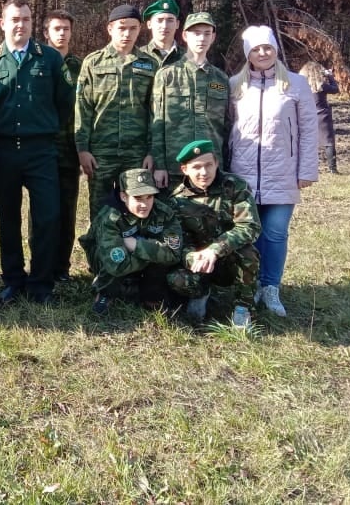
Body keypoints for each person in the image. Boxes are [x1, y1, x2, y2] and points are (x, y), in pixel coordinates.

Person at [0, 0, 73, 305]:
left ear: (33, 23)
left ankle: (41, 284)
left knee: (47, 216)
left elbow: (65, 102)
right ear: (2, 23)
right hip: (4, 151)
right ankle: (13, 280)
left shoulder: (50, 60)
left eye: (27, 19)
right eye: (15, 19)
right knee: (8, 218)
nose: (21, 25)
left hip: (41, 150)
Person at [228, 25, 318, 317]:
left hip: (282, 172)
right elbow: (225, 129)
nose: (262, 53)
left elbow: (308, 131)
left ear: (275, 50)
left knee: (276, 233)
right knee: (249, 235)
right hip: (243, 175)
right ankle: (250, 285)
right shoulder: (235, 86)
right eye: (256, 49)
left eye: (267, 47)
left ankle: (271, 287)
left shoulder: (296, 84)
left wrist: (306, 170)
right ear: (248, 54)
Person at [75, 4, 156, 226]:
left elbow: (154, 112)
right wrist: (82, 149)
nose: (127, 34)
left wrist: (151, 151)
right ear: (110, 29)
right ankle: (99, 260)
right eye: (122, 28)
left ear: (140, 30)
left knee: (136, 211)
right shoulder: (93, 62)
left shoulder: (149, 64)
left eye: (133, 28)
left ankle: (132, 259)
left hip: (136, 152)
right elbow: (83, 107)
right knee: (100, 214)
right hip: (101, 152)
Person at [170, 140, 262, 321]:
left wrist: (215, 250)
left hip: (230, 258)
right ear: (184, 170)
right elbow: (179, 241)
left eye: (208, 165)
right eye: (196, 167)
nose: (204, 172)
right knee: (175, 278)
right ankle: (201, 294)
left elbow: (250, 226)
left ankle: (244, 307)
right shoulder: (177, 200)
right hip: (200, 262)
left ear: (217, 164)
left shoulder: (235, 186)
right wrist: (192, 258)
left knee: (249, 254)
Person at [82, 168, 184, 315]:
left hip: (133, 255)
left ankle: (150, 296)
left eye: (149, 197)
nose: (145, 204)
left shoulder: (164, 213)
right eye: (138, 198)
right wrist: (153, 250)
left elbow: (174, 254)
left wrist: (134, 244)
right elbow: (116, 266)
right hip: (103, 260)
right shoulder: (110, 218)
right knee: (114, 259)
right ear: (124, 197)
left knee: (161, 261)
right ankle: (105, 293)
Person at [150, 12, 230, 191]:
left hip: (210, 169)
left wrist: (225, 166)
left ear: (213, 37)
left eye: (207, 33)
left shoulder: (221, 79)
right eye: (196, 33)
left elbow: (226, 126)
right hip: (175, 167)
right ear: (185, 36)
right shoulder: (167, 75)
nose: (202, 38)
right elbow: (156, 124)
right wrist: (160, 165)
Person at [43, 9, 83, 281]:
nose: (62, 33)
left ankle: (62, 268)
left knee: (67, 212)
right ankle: (41, 266)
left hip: (69, 150)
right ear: (46, 33)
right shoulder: (38, 63)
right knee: (43, 213)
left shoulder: (81, 66)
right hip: (43, 150)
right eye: (56, 28)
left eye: (66, 28)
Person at [299, 61, 340, 174]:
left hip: (306, 117)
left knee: (307, 143)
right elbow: (335, 89)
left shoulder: (301, 87)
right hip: (323, 117)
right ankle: (333, 169)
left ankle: (305, 168)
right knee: (328, 142)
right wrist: (330, 76)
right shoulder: (321, 86)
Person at [143, 0, 182, 67]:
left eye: (170, 20)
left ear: (177, 24)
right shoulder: (137, 55)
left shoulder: (188, 58)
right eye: (159, 20)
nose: (164, 26)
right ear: (149, 24)